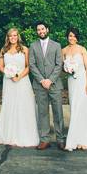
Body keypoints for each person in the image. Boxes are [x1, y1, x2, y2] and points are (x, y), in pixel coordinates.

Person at [0, 28, 39, 147]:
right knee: (9, 105)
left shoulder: (25, 49)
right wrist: (8, 73)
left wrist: (18, 76)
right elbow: (0, 66)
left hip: (22, 81)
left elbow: (28, 66)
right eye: (11, 36)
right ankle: (9, 135)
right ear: (8, 37)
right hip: (9, 81)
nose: (13, 38)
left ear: (18, 36)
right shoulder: (3, 50)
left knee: (23, 106)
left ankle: (24, 135)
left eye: (15, 35)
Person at [28, 21, 65, 150]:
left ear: (47, 29)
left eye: (43, 29)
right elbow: (32, 65)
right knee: (42, 112)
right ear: (37, 32)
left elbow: (59, 64)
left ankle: (60, 139)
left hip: (54, 84)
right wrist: (42, 80)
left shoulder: (56, 45)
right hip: (40, 85)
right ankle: (44, 139)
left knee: (58, 112)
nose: (41, 31)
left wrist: (50, 80)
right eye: (38, 30)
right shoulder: (33, 46)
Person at [62, 27, 87, 151]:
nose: (72, 38)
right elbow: (61, 67)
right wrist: (67, 69)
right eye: (70, 36)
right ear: (67, 37)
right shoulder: (63, 50)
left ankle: (84, 140)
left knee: (83, 110)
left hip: (82, 81)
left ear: (77, 37)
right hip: (72, 82)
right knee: (74, 109)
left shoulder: (82, 49)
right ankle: (74, 139)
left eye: (74, 36)